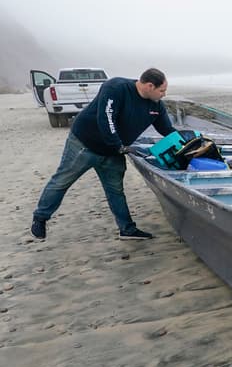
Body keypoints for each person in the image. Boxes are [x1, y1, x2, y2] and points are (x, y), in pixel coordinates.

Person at [30, 68, 177, 241]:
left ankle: (127, 230)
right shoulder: (116, 87)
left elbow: (167, 129)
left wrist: (188, 142)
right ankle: (40, 218)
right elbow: (106, 118)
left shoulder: (156, 105)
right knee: (62, 180)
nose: (164, 94)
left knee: (115, 190)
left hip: (113, 151)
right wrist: (119, 146)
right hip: (84, 144)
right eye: (162, 90)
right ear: (150, 86)